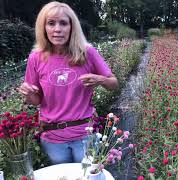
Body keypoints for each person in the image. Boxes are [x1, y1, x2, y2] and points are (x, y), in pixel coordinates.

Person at [18, 1, 118, 164]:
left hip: (85, 134)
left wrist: (101, 80)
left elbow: (113, 83)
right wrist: (29, 95)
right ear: (43, 28)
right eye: (51, 23)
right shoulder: (36, 58)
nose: (57, 29)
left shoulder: (87, 52)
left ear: (72, 27)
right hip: (52, 137)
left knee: (88, 175)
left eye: (63, 23)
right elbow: (36, 100)